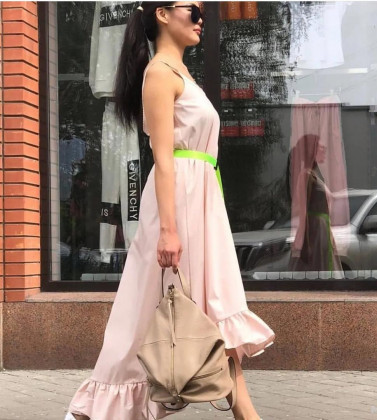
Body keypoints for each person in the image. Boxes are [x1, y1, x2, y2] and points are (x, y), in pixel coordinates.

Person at [65, 2, 275, 419]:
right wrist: (168, 230)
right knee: (146, 317)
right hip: (178, 204)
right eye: (192, 9)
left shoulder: (180, 73)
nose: (201, 17)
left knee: (209, 314)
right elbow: (163, 158)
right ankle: (96, 409)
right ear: (163, 14)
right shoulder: (159, 73)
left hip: (200, 202)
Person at [287, 134, 343, 273]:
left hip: (322, 231)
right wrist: (303, 242)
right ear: (312, 150)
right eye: (319, 146)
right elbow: (303, 211)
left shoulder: (314, 175)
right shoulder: (305, 176)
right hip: (315, 232)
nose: (324, 148)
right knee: (316, 269)